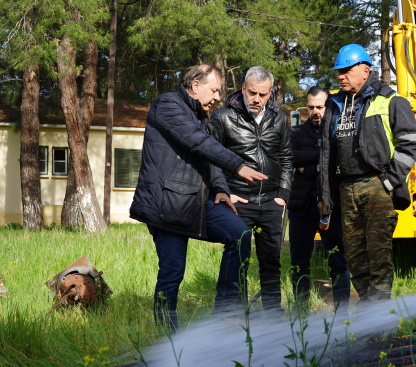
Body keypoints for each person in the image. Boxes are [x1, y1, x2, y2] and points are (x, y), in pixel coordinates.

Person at [129, 64, 267, 331]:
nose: (216, 97)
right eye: (214, 90)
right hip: (166, 205)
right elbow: (198, 143)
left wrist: (222, 190)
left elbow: (209, 158)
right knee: (172, 271)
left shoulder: (201, 118)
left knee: (239, 235)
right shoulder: (168, 105)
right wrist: (237, 165)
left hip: (195, 201)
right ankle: (165, 331)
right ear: (195, 86)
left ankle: (227, 310)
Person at [319, 44, 416, 301]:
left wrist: (389, 181)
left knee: (378, 255)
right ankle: (368, 308)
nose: (340, 76)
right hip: (345, 189)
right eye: (338, 72)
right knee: (354, 257)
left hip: (377, 185)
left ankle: (379, 317)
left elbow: (410, 143)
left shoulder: (390, 100)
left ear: (365, 71)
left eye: (346, 70)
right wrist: (327, 194)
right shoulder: (333, 105)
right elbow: (326, 154)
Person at [210, 66, 293, 313]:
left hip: (270, 202)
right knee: (238, 260)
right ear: (243, 88)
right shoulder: (222, 117)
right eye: (253, 93)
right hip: (238, 201)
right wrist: (224, 190)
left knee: (271, 262)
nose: (257, 99)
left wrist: (283, 195)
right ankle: (236, 316)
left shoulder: (279, 118)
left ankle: (273, 316)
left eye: (263, 94)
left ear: (271, 93)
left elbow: (287, 158)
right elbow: (212, 158)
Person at [287, 86, 350, 308]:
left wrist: (307, 166)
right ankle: (301, 309)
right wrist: (322, 159)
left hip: (330, 207)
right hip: (300, 208)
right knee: (299, 262)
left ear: (328, 106)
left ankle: (342, 310)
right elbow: (289, 156)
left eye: (320, 107)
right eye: (311, 107)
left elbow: (340, 160)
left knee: (338, 261)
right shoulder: (295, 134)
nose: (315, 112)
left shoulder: (337, 132)